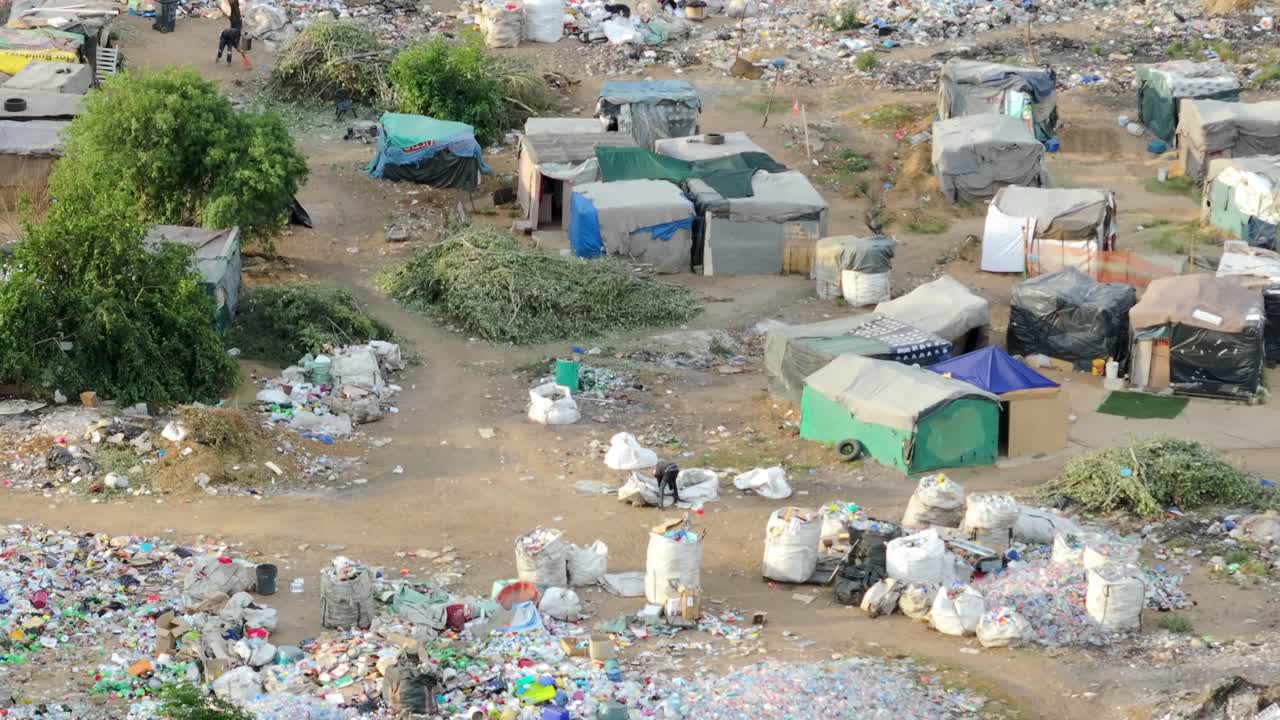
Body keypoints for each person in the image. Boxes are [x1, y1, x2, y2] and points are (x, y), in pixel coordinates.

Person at [216, 0, 242, 65]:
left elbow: (236, 42)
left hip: (229, 34)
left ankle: (225, 61)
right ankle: (222, 59)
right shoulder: (236, 31)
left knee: (226, 50)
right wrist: (237, 47)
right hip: (227, 35)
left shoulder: (235, 32)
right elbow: (235, 42)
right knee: (223, 49)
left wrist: (220, 8)